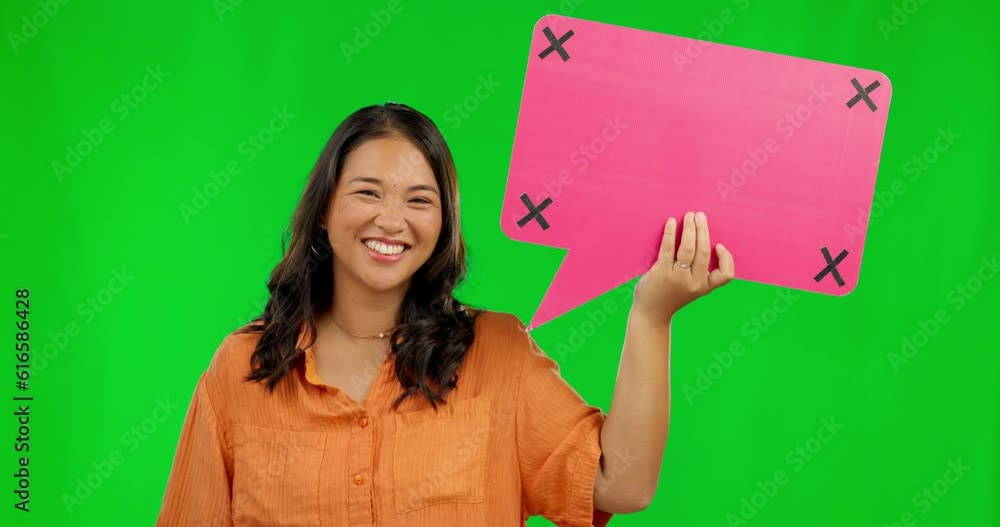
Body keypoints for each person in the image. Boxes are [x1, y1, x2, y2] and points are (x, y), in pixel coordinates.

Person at [155, 102, 735, 526]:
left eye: (419, 199)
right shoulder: (241, 369)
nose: (392, 219)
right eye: (367, 192)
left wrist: (651, 317)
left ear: (443, 226)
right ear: (324, 212)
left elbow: (621, 483)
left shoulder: (499, 353)